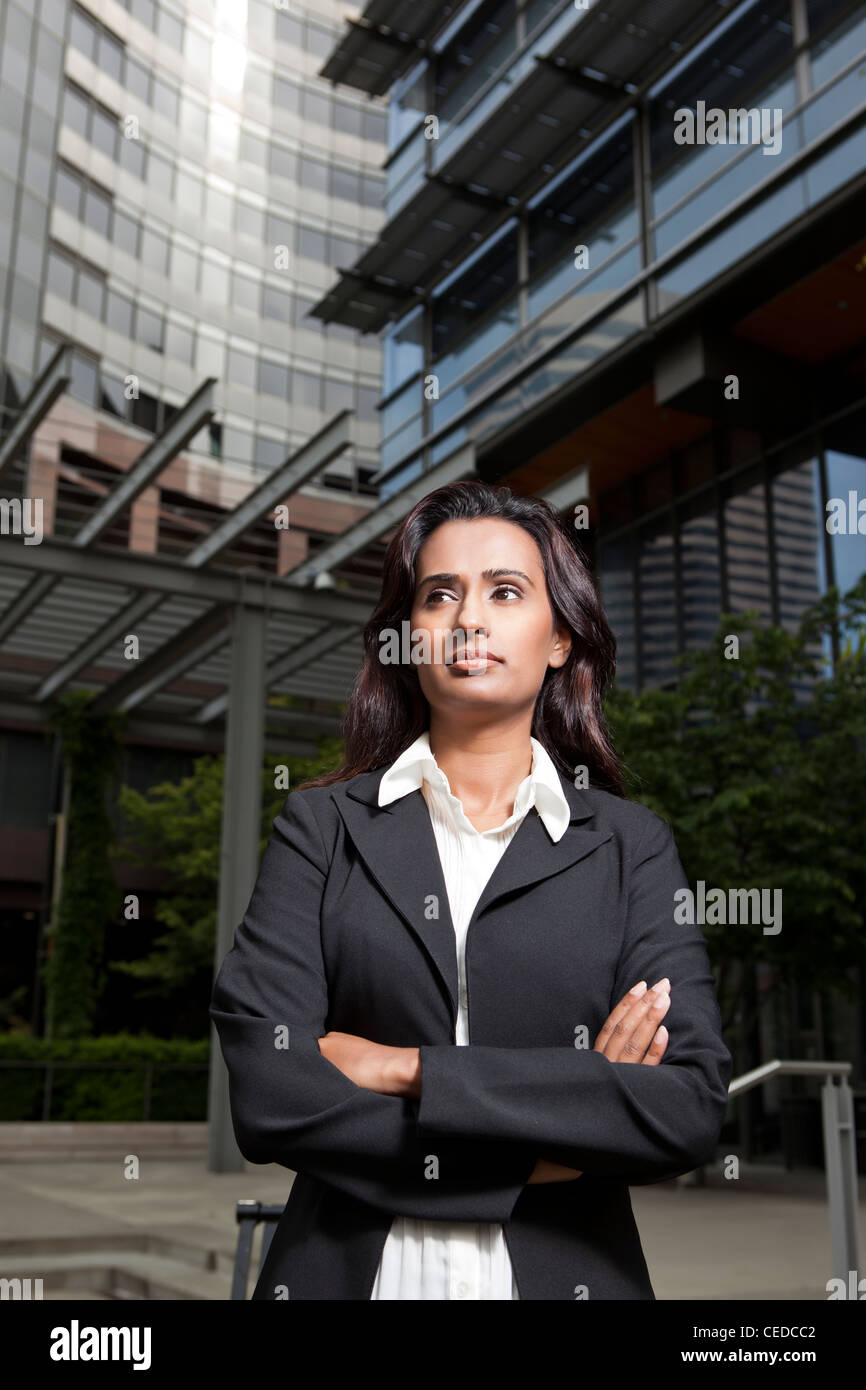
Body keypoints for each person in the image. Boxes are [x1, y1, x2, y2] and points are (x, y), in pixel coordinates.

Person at [210, 479, 732, 1300]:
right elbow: (272, 1097)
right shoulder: (321, 829)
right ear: (409, 637)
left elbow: (686, 1106)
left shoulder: (631, 848)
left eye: (506, 591)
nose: (469, 620)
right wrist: (573, 1114)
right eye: (439, 595)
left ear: (560, 636)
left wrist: (403, 1068)